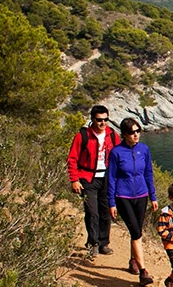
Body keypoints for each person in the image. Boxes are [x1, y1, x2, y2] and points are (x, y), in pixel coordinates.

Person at [108, 117, 158, 285]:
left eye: (138, 131)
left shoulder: (144, 149)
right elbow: (111, 178)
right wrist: (111, 202)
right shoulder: (116, 152)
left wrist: (153, 196)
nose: (136, 135)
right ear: (124, 134)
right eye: (132, 132)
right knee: (136, 233)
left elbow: (148, 173)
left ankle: (132, 260)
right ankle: (143, 272)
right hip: (123, 196)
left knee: (136, 230)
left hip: (142, 195)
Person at [66, 105, 119, 258]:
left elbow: (119, 156)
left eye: (105, 119)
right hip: (88, 178)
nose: (103, 123)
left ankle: (104, 243)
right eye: (99, 120)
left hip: (107, 179)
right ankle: (93, 243)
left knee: (106, 212)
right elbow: (72, 158)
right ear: (92, 119)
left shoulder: (112, 135)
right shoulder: (82, 136)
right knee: (92, 212)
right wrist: (74, 179)